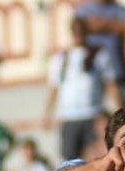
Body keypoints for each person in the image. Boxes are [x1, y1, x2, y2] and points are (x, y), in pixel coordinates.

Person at [46, 18, 115, 162]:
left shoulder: (98, 54)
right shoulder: (62, 57)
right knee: (69, 160)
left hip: (92, 113)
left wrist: (117, 107)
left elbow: (110, 82)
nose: (78, 34)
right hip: (69, 115)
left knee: (95, 155)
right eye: (75, 31)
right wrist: (48, 113)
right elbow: (54, 87)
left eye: (81, 31)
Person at [76, 0, 125, 104]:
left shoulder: (119, 8)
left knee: (122, 108)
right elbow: (81, 27)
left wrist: (99, 24)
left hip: (117, 68)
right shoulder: (84, 9)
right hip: (94, 71)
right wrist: (112, 25)